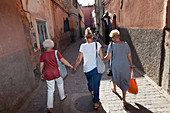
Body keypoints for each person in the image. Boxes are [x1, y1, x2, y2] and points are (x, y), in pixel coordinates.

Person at [72, 27, 104, 110]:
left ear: (85, 37)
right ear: (92, 37)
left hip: (87, 69)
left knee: (90, 83)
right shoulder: (97, 44)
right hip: (96, 69)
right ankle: (96, 103)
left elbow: (79, 59)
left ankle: (92, 93)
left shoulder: (82, 46)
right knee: (96, 86)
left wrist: (74, 67)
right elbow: (102, 57)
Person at [40, 39, 73, 113]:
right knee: (60, 84)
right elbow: (63, 60)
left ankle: (49, 107)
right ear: (52, 45)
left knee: (50, 90)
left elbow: (41, 65)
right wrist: (70, 65)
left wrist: (41, 73)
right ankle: (62, 96)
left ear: (45, 46)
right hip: (57, 73)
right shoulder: (55, 52)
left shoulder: (43, 54)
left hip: (48, 74)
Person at [104, 29, 133, 106]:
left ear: (113, 38)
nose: (111, 39)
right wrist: (131, 65)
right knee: (124, 80)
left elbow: (108, 57)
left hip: (115, 66)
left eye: (112, 38)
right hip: (125, 65)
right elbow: (129, 56)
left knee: (115, 77)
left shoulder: (112, 45)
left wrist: (103, 58)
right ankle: (123, 98)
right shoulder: (126, 44)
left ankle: (115, 88)